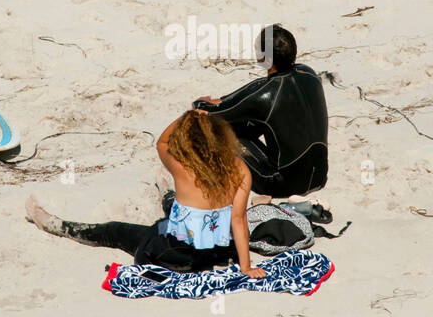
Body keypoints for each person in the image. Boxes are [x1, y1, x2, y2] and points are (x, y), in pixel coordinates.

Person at [26, 110, 266, 277]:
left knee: (114, 230)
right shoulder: (240, 169)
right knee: (181, 211)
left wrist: (189, 115)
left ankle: (55, 225)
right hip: (216, 253)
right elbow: (238, 220)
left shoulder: (182, 166)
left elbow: (162, 143)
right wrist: (245, 267)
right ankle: (166, 192)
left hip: (175, 256)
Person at [192, 24, 328, 200]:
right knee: (256, 118)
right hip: (319, 177)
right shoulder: (308, 73)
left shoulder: (264, 95)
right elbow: (254, 93)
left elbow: (207, 113)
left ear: (264, 56)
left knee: (216, 130)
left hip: (284, 184)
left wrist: (201, 103)